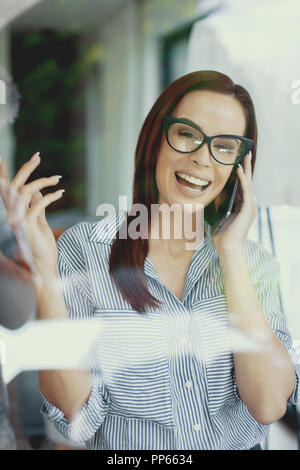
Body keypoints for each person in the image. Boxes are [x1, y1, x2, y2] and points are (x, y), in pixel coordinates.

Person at [0, 70, 299, 450]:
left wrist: (231, 253)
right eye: (187, 134)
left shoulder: (252, 261)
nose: (201, 159)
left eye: (224, 147)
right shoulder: (87, 249)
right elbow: (72, 404)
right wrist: (43, 268)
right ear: (157, 138)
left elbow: (269, 404)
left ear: (240, 167)